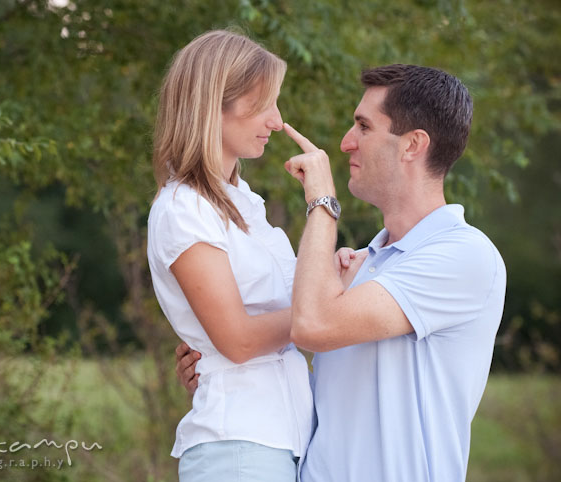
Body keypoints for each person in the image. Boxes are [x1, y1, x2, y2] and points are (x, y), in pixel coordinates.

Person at [178, 64, 507, 481]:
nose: (346, 143)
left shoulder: (463, 255)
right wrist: (227, 373)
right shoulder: (360, 268)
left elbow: (312, 325)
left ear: (412, 145)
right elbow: (326, 397)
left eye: (364, 127)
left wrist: (322, 203)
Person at [147, 30, 315, 481]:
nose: (277, 121)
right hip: (238, 449)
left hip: (283, 441)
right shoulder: (183, 209)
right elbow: (238, 341)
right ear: (214, 105)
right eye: (265, 104)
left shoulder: (245, 204)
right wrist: (321, 310)